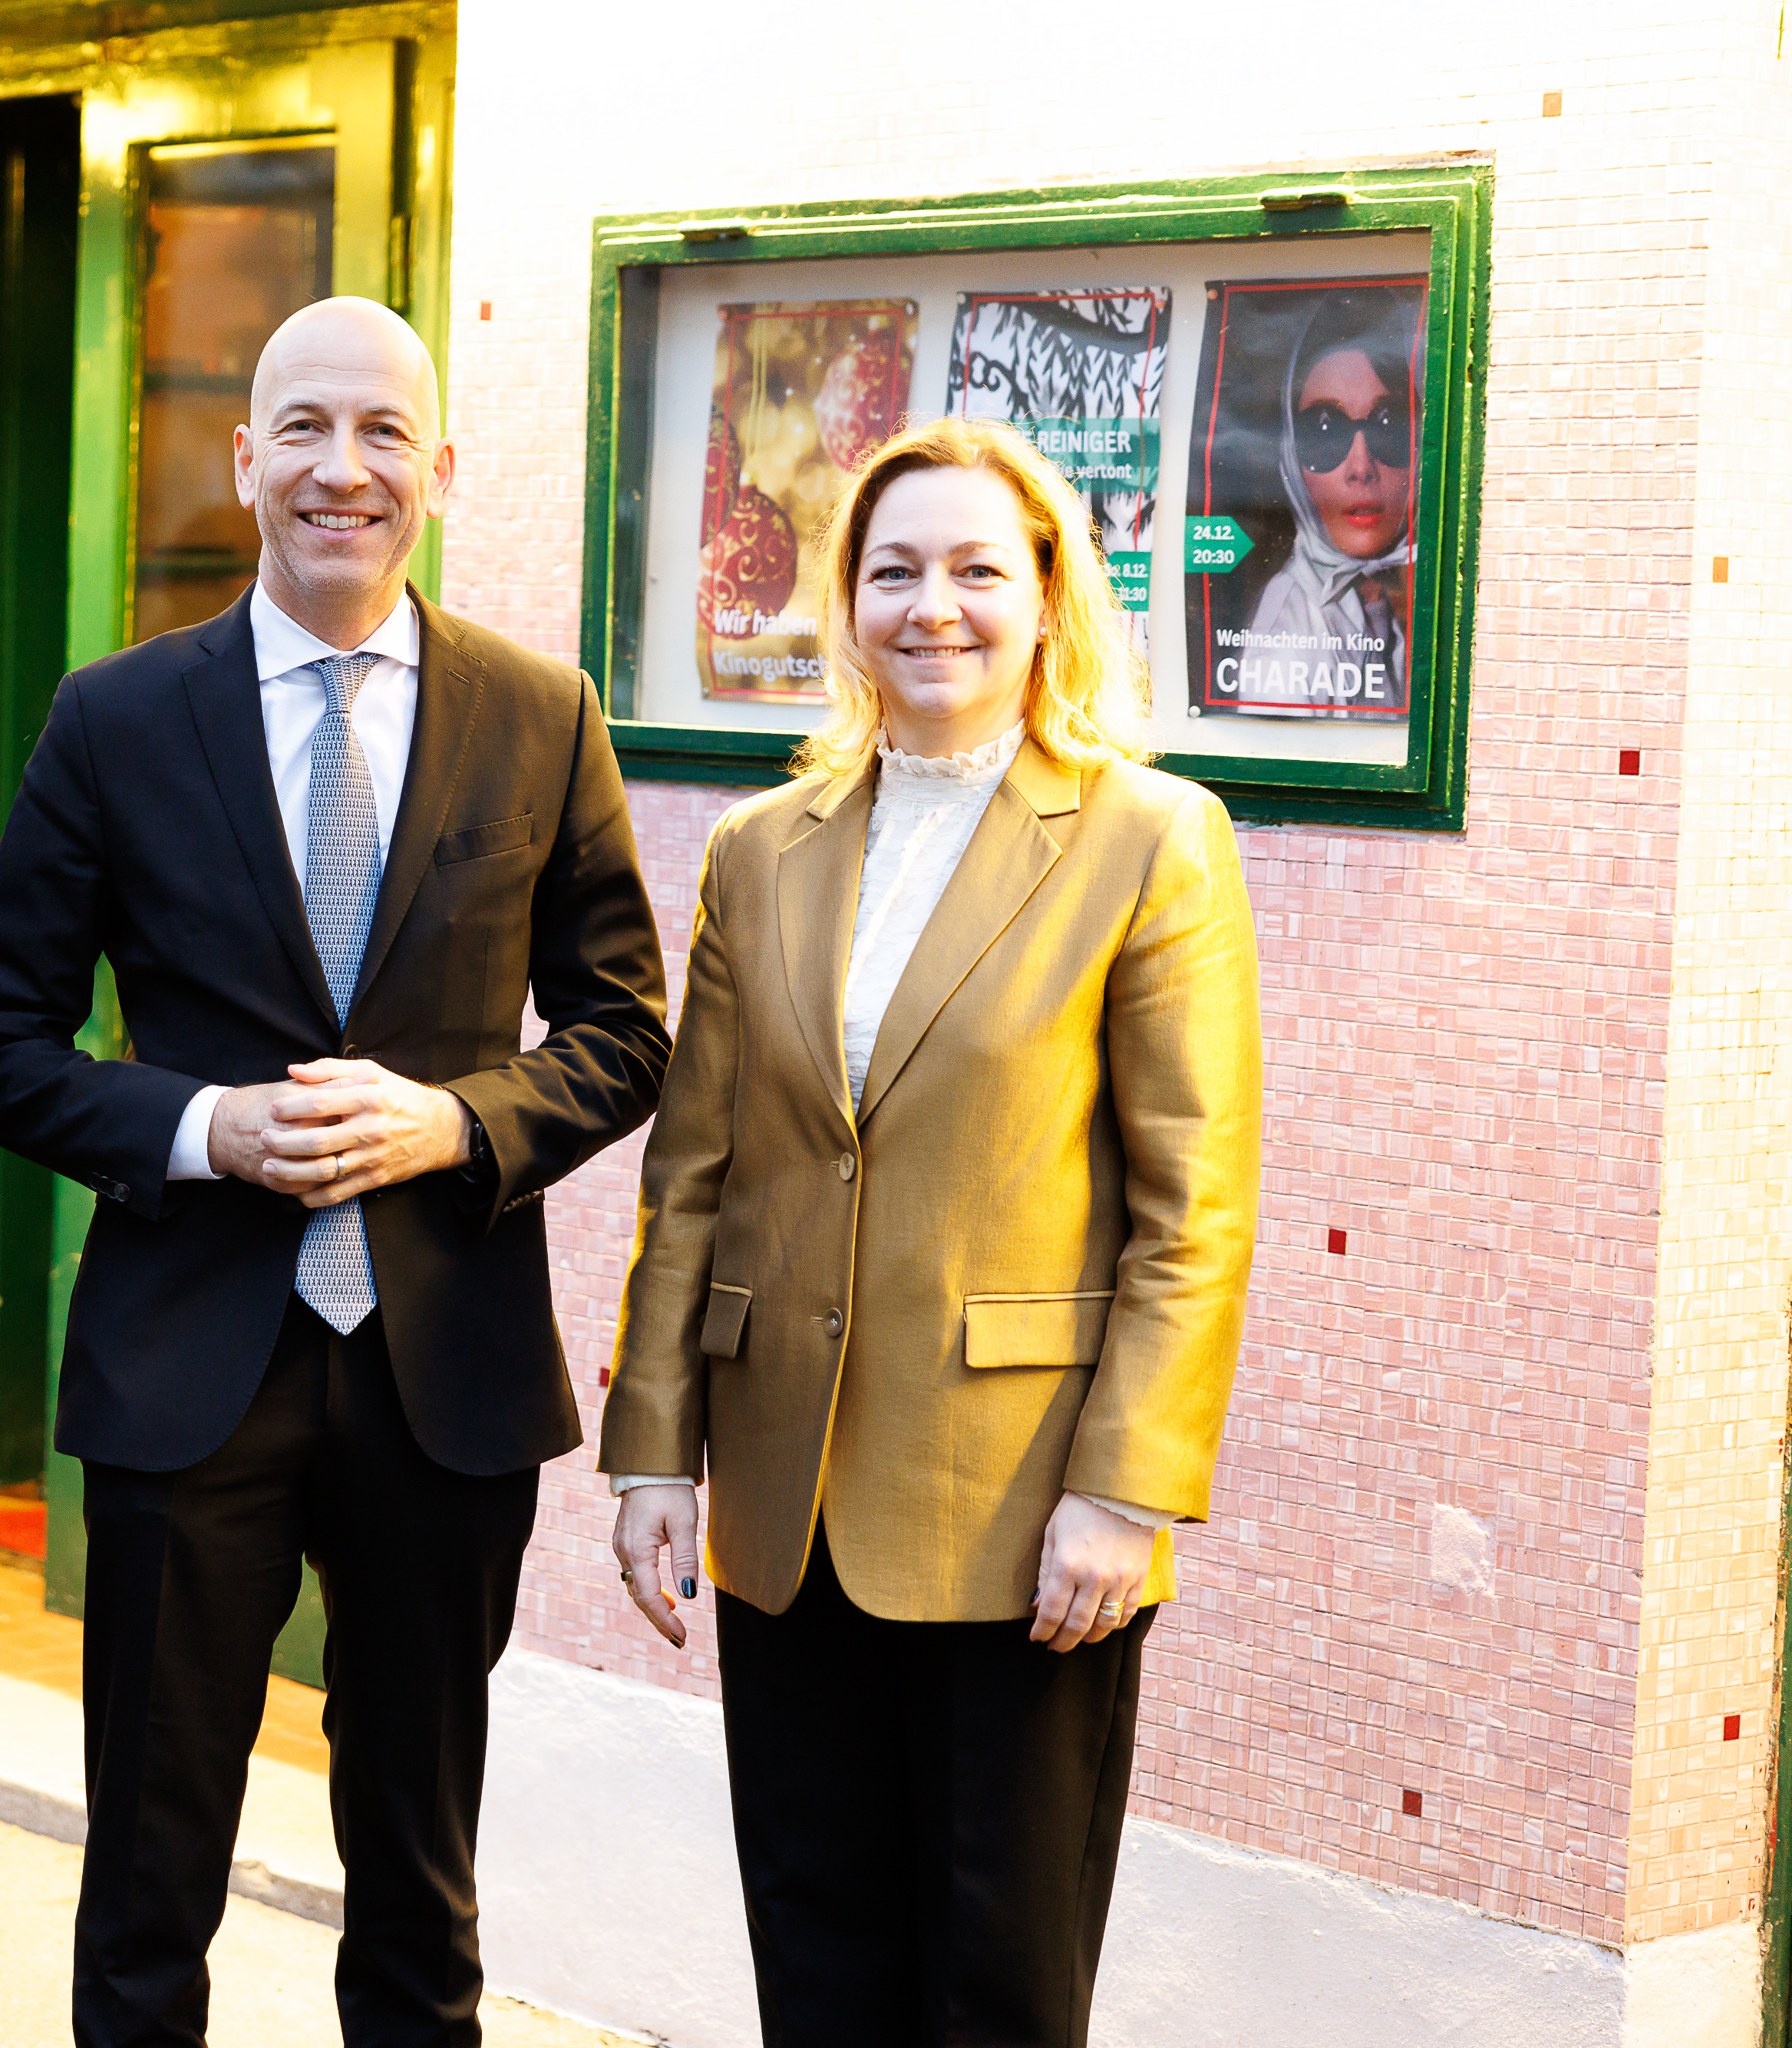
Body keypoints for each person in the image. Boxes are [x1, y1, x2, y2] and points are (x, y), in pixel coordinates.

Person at [0, 296, 671, 2047]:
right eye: (303, 429)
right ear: (242, 457)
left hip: (447, 1384)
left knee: (419, 1884)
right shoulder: (115, 719)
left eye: (380, 432)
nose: (342, 468)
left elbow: (628, 1031)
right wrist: (194, 1127)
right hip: (186, 1371)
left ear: (436, 465)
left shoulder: (539, 712)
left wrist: (458, 1123)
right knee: (148, 1881)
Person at [603, 416, 1262, 2046]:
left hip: (1024, 1511)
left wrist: (1125, 1487)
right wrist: (647, 1453)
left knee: (995, 1981)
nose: (931, 605)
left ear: (1046, 594)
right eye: (891, 569)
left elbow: (1193, 1205)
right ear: (844, 602)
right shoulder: (760, 851)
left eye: (977, 567)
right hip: (784, 1501)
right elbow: (693, 1172)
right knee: (816, 1962)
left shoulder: (1145, 837)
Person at [1238, 288, 1419, 716]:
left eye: (1388, 424)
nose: (1361, 466)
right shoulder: (1288, 624)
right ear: (1291, 459)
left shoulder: (1410, 598)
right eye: (1325, 430)